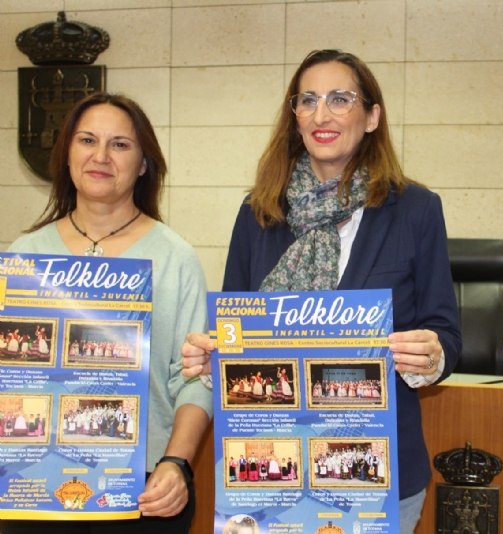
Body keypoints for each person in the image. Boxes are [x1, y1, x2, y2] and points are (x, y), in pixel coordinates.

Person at [180, 49, 461, 533]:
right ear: (294, 117)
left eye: (340, 98)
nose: (321, 114)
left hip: (378, 470)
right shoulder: (257, 212)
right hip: (271, 465)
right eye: (307, 100)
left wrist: (432, 354)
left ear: (372, 116)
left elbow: (446, 333)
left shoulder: (415, 209)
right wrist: (211, 356)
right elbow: (231, 329)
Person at [3, 92, 212, 534]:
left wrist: (176, 463)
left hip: (143, 492)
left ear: (142, 164)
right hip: (34, 490)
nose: (100, 156)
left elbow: (195, 379)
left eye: (119, 144)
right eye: (87, 140)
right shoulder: (25, 256)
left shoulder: (175, 258)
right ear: (66, 155)